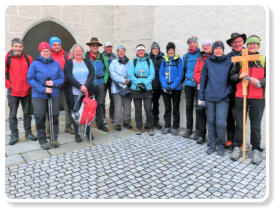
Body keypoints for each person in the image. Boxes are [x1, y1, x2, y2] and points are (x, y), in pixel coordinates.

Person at [230, 35, 266, 165]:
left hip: (257, 97)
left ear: (258, 45)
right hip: (241, 95)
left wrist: (261, 82)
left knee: (256, 124)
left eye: (255, 44)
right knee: (239, 123)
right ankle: (237, 146)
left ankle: (256, 149)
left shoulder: (263, 60)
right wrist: (239, 76)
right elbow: (232, 77)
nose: (252, 46)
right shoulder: (240, 59)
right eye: (250, 44)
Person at [27, 42, 64, 150]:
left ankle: (54, 138)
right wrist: (43, 89)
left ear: (50, 51)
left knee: (54, 116)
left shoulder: (56, 64)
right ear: (40, 52)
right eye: (44, 51)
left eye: (48, 51)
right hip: (39, 95)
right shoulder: (35, 64)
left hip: (54, 94)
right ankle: (42, 140)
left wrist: (54, 83)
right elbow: (30, 79)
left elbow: (62, 78)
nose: (46, 53)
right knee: (40, 117)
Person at [198, 41, 232, 156]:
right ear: (214, 50)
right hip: (210, 97)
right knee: (211, 121)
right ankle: (212, 143)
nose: (218, 50)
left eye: (220, 49)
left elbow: (231, 80)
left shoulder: (228, 62)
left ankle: (221, 145)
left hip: (223, 98)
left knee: (221, 123)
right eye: (216, 48)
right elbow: (203, 81)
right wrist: (201, 97)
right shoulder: (208, 62)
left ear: (223, 50)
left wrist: (227, 92)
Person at [5, 38, 36, 145]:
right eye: (16, 46)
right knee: (12, 115)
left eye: (20, 46)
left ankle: (28, 132)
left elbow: (33, 73)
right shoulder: (7, 58)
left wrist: (30, 85)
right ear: (12, 47)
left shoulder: (28, 58)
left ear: (23, 47)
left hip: (26, 91)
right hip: (13, 92)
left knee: (27, 114)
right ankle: (14, 135)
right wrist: (10, 86)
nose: (18, 48)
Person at [64, 44, 95, 142]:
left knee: (88, 112)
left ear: (82, 52)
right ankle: (77, 134)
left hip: (87, 91)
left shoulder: (87, 61)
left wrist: (85, 85)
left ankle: (88, 131)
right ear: (72, 52)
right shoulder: (69, 63)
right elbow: (69, 76)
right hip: (74, 93)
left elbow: (92, 74)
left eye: (80, 51)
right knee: (76, 113)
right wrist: (80, 86)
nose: (78, 52)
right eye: (76, 51)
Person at [226, 32, 247, 147]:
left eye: (239, 41)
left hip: (243, 90)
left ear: (243, 42)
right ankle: (230, 138)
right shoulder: (228, 57)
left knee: (241, 117)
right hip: (230, 90)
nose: (237, 44)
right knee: (229, 116)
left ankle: (240, 141)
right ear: (231, 44)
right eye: (234, 42)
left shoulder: (248, 54)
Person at [128, 44, 155, 136]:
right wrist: (138, 84)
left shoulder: (149, 61)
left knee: (148, 109)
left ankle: (150, 127)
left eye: (142, 50)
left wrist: (145, 84)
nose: (141, 52)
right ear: (136, 52)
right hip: (136, 88)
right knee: (138, 110)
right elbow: (131, 74)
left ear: (144, 51)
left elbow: (152, 74)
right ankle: (139, 127)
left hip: (147, 88)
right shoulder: (133, 62)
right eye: (139, 51)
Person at [49, 36, 73, 134]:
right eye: (54, 45)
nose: (57, 46)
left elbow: (70, 67)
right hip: (52, 86)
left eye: (58, 44)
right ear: (51, 45)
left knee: (67, 107)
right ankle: (51, 128)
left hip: (65, 85)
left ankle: (68, 126)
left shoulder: (65, 55)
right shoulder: (48, 55)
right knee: (51, 108)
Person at [85, 37, 109, 132]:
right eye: (93, 45)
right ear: (90, 47)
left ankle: (100, 123)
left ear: (98, 47)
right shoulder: (85, 56)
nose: (95, 47)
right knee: (89, 104)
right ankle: (88, 123)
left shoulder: (102, 57)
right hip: (89, 84)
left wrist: (105, 80)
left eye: (96, 45)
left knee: (100, 103)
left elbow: (107, 70)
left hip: (100, 83)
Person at [159, 42, 184, 136]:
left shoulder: (178, 60)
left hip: (176, 88)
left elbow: (180, 74)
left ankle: (175, 127)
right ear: (167, 51)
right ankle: (167, 126)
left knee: (176, 108)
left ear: (174, 50)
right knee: (167, 107)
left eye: (172, 50)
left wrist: (172, 86)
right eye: (169, 50)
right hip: (165, 88)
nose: (171, 51)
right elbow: (161, 74)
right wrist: (165, 86)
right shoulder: (164, 61)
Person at [193, 40, 213, 144]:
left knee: (211, 113)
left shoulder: (215, 57)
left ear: (211, 46)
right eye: (204, 45)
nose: (205, 47)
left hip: (212, 90)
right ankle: (201, 135)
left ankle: (211, 137)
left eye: (208, 45)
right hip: (200, 89)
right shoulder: (200, 58)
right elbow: (195, 73)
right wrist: (203, 81)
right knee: (200, 112)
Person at [109, 45, 132, 131]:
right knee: (118, 107)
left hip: (127, 87)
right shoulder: (114, 62)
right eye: (119, 51)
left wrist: (128, 81)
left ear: (125, 52)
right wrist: (123, 80)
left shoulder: (129, 62)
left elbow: (131, 72)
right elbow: (112, 74)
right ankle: (117, 123)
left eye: (122, 51)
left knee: (127, 106)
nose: (121, 52)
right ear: (117, 52)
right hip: (116, 88)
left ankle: (127, 122)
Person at [182, 36, 201, 140]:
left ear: (197, 44)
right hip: (188, 84)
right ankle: (189, 128)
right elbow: (184, 70)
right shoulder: (185, 56)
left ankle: (198, 130)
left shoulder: (201, 55)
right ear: (188, 44)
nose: (192, 44)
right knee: (188, 107)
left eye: (194, 42)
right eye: (190, 43)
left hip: (198, 85)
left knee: (198, 108)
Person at [149, 41, 164, 129]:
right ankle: (149, 122)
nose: (155, 50)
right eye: (154, 48)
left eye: (157, 48)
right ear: (151, 50)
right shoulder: (148, 58)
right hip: (149, 85)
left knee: (156, 104)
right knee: (148, 105)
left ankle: (156, 121)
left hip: (158, 85)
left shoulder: (162, 59)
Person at [103, 41, 117, 124]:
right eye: (107, 47)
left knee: (113, 99)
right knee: (102, 99)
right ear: (104, 48)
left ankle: (112, 116)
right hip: (104, 80)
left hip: (112, 80)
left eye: (110, 47)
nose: (109, 48)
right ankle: (103, 117)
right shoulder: (101, 56)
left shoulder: (115, 56)